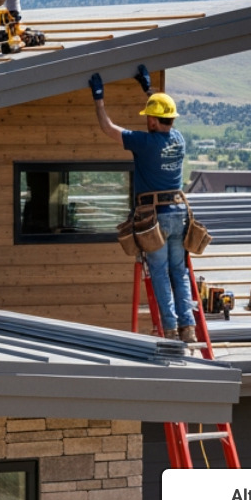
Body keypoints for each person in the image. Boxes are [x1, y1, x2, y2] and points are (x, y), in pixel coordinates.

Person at [89, 69, 195, 342]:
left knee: (159, 272)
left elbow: (108, 128)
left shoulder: (145, 142)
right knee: (178, 272)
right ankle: (189, 328)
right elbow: (163, 111)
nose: (147, 119)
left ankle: (170, 329)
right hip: (178, 214)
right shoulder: (178, 139)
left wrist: (98, 98)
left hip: (154, 218)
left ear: (152, 121)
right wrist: (148, 89)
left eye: (149, 116)